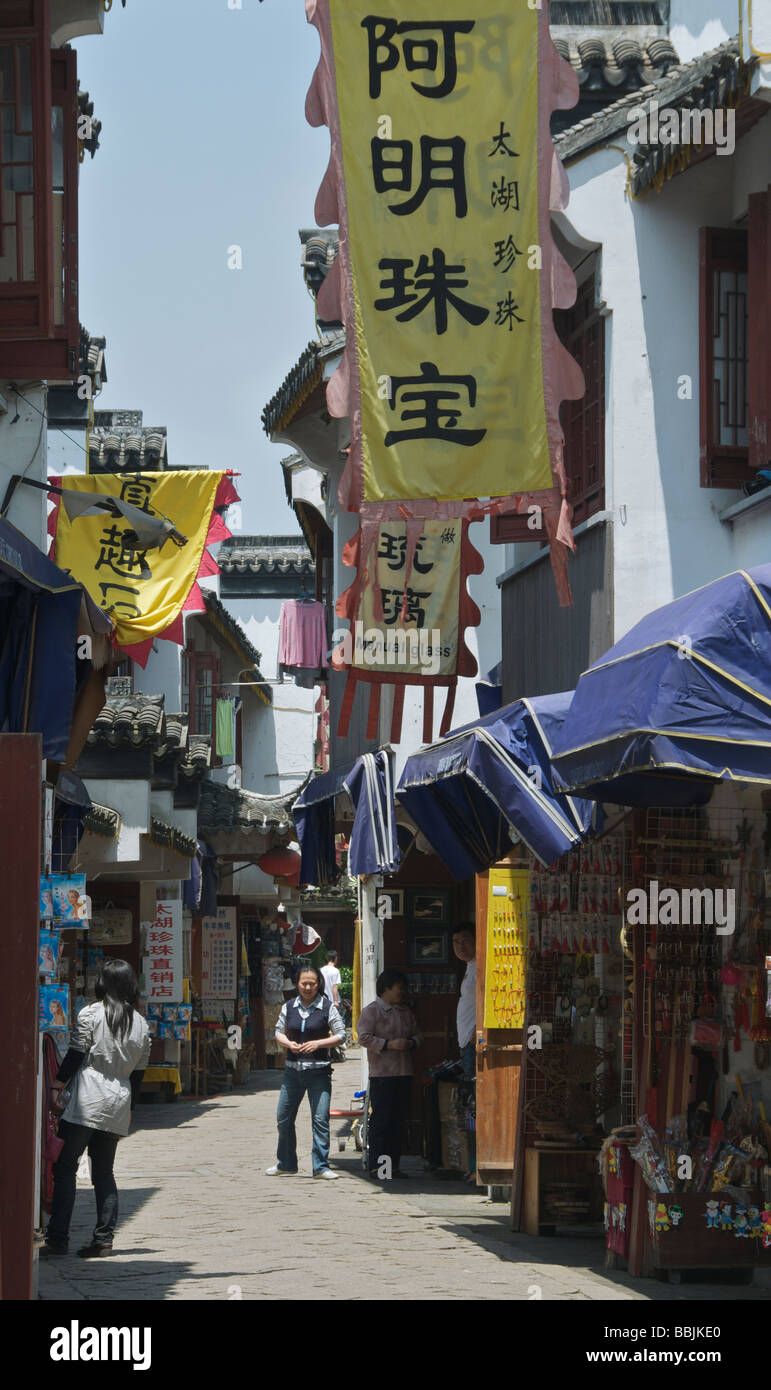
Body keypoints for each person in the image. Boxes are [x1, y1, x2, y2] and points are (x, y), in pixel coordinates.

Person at [41, 959, 150, 1259]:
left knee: (65, 1167)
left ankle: (58, 1237)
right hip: (118, 1101)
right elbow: (139, 1074)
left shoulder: (90, 1013)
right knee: (104, 1173)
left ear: (102, 982)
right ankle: (104, 1238)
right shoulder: (141, 1024)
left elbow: (76, 1054)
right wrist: (131, 1108)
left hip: (87, 1099)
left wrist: (56, 1085)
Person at [268, 964, 346, 1179]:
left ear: (318, 984)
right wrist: (288, 1044)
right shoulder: (289, 1006)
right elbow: (278, 1031)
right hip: (292, 1073)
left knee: (320, 1119)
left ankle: (321, 1166)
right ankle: (286, 1163)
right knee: (283, 1118)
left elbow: (341, 1035)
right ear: (297, 984)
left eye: (312, 983)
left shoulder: (327, 1007)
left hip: (319, 1073)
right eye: (304, 983)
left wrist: (319, 1044)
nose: (308, 987)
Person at [357, 970, 422, 1181]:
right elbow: (363, 1037)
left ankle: (393, 1167)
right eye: (398, 987)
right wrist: (388, 1045)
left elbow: (418, 1034)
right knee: (382, 1120)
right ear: (386, 988)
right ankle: (379, 1167)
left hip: (404, 1072)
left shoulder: (405, 1012)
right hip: (382, 1074)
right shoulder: (372, 1011)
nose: (402, 991)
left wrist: (411, 1043)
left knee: (398, 1120)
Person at [452, 924, 477, 1078]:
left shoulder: (480, 966)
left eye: (465, 940)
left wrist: (478, 1032)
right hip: (467, 1040)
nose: (460, 946)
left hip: (474, 1039)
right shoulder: (471, 966)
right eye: (456, 941)